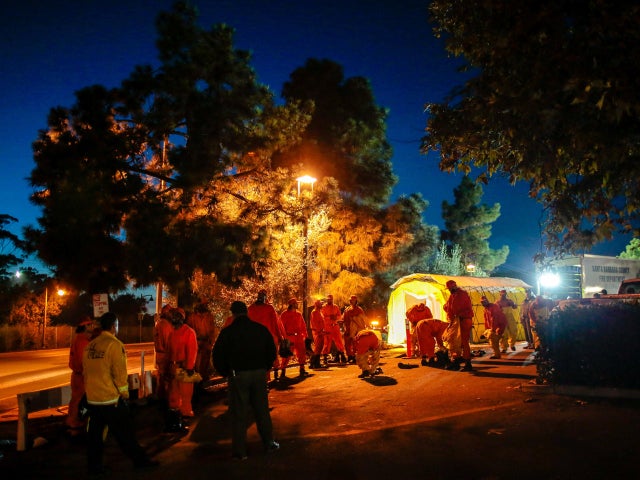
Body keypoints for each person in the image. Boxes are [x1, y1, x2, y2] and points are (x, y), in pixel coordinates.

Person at [83, 312, 158, 476]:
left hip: (93, 400)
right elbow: (119, 374)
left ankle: (94, 467)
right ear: (113, 326)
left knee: (94, 437)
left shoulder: (90, 346)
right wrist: (124, 395)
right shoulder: (114, 345)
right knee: (126, 434)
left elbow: (86, 373)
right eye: (116, 325)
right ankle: (141, 461)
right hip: (111, 400)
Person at [212, 301, 280, 460]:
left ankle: (240, 451)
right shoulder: (260, 330)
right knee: (262, 410)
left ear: (233, 314)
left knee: (239, 413)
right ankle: (269, 443)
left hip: (238, 375)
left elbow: (217, 355)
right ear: (246, 312)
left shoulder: (227, 332)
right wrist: (265, 367)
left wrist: (225, 372)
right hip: (258, 374)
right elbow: (271, 350)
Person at [165, 307, 198, 431]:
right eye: (173, 316)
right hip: (174, 367)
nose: (174, 318)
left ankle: (185, 420)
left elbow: (192, 350)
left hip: (184, 367)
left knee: (185, 396)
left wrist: (189, 367)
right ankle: (175, 420)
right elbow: (169, 351)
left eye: (176, 316)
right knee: (174, 395)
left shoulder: (189, 332)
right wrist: (166, 368)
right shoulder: (172, 333)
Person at [248, 289, 285, 382]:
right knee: (269, 357)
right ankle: (267, 379)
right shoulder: (269, 308)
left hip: (254, 338)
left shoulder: (250, 308)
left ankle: (257, 379)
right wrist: (280, 336)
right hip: (268, 338)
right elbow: (275, 324)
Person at [66, 316, 94, 437]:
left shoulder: (78, 339)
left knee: (75, 399)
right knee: (80, 400)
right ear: (84, 327)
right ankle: (75, 423)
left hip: (77, 375)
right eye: (89, 325)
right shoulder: (83, 341)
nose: (92, 327)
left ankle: (71, 420)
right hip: (81, 375)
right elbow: (84, 361)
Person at [443, 280, 474, 371]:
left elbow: (454, 308)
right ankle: (457, 361)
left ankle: (467, 363)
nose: (449, 290)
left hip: (463, 320)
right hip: (458, 320)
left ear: (453, 287)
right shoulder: (453, 295)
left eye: (449, 288)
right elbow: (448, 307)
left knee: (463, 342)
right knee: (454, 341)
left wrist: (451, 314)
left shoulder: (461, 294)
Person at [186, 299, 217, 383]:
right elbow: (189, 329)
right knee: (196, 364)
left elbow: (212, 330)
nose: (206, 306)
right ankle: (197, 384)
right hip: (197, 343)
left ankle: (202, 382)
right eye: (204, 304)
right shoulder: (192, 317)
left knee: (204, 364)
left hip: (206, 343)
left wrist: (211, 341)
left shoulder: (209, 316)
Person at [279, 298, 309, 377]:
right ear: (292, 304)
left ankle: (302, 369)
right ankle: (283, 371)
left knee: (301, 353)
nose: (297, 304)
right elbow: (281, 327)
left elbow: (303, 326)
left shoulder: (298, 314)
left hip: (299, 336)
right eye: (296, 303)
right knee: (287, 355)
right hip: (289, 336)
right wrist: (284, 337)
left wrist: (306, 336)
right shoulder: (284, 314)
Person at [153, 304, 174, 404]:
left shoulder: (159, 324)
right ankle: (164, 399)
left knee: (160, 377)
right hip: (165, 355)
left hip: (160, 355)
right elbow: (168, 342)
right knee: (166, 378)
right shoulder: (166, 325)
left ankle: (159, 396)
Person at [321, 294, 347, 364]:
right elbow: (322, 317)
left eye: (330, 299)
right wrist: (329, 317)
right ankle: (325, 357)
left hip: (335, 326)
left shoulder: (336, 307)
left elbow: (339, 316)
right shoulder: (323, 307)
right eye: (328, 299)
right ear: (327, 299)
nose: (329, 300)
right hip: (327, 327)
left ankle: (342, 355)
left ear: (332, 299)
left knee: (339, 341)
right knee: (327, 342)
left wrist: (336, 318)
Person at [342, 295, 367, 363]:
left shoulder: (359, 309)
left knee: (355, 344)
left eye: (353, 300)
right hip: (347, 329)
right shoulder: (347, 309)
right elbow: (344, 318)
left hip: (355, 330)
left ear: (356, 301)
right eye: (351, 300)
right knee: (347, 344)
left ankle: (355, 357)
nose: (351, 301)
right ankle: (349, 356)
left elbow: (362, 320)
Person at [308, 300, 326, 368]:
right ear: (317, 305)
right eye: (320, 304)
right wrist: (319, 331)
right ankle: (314, 363)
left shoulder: (319, 312)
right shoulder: (315, 312)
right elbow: (315, 323)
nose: (322, 305)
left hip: (320, 332)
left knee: (319, 348)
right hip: (318, 332)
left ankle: (314, 363)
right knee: (317, 348)